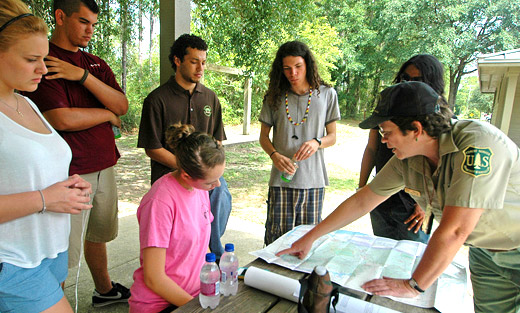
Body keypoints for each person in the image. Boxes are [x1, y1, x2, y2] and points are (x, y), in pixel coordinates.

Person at [278, 81, 520, 313]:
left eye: (387, 131)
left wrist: (413, 285)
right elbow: (364, 200)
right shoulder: (410, 156)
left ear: (416, 129)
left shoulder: (477, 145)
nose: (383, 140)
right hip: (484, 253)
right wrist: (310, 238)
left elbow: (456, 230)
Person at [24, 0, 131, 307]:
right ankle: (52, 303)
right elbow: (62, 118)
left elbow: (122, 106)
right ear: (60, 16)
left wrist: (82, 76)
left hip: (105, 164)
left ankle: (104, 289)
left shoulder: (94, 63)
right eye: (83, 22)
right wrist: (106, 115)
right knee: (63, 250)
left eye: (94, 25)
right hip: (70, 171)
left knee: (98, 234)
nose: (90, 30)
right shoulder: (45, 62)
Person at [0, 1, 92, 311]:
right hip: (12, 262)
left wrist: (67, 187)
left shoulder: (27, 102)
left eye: (43, 58)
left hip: (50, 252)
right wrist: (45, 198)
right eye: (31, 59)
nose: (43, 68)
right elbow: (40, 193)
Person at [138, 33, 231, 261]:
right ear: (178, 61)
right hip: (170, 179)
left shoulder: (210, 98)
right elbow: (152, 148)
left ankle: (212, 258)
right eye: (193, 61)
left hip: (205, 179)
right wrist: (189, 168)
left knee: (221, 194)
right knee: (178, 244)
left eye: (203, 61)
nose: (200, 68)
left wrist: (204, 173)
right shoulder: (157, 99)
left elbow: (216, 141)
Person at [130, 123, 225, 313]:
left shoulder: (199, 189)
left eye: (219, 177)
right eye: (210, 181)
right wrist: (196, 307)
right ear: (186, 175)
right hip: (161, 304)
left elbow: (201, 245)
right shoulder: (160, 202)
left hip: (195, 295)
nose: (217, 184)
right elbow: (153, 278)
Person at [259, 40, 340, 245]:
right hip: (281, 180)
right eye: (287, 68)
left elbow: (332, 137)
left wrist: (316, 142)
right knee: (276, 241)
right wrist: (274, 155)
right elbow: (263, 137)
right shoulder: (274, 97)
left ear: (307, 65)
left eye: (298, 67)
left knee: (307, 241)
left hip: (313, 181)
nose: (292, 73)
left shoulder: (327, 94)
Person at [359, 54, 445, 242]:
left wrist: (424, 205)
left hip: (415, 204)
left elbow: (438, 165)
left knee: (412, 258)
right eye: (405, 78)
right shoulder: (388, 106)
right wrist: (362, 187)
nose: (409, 84)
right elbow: (371, 149)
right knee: (382, 253)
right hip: (382, 194)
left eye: (417, 80)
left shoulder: (438, 118)